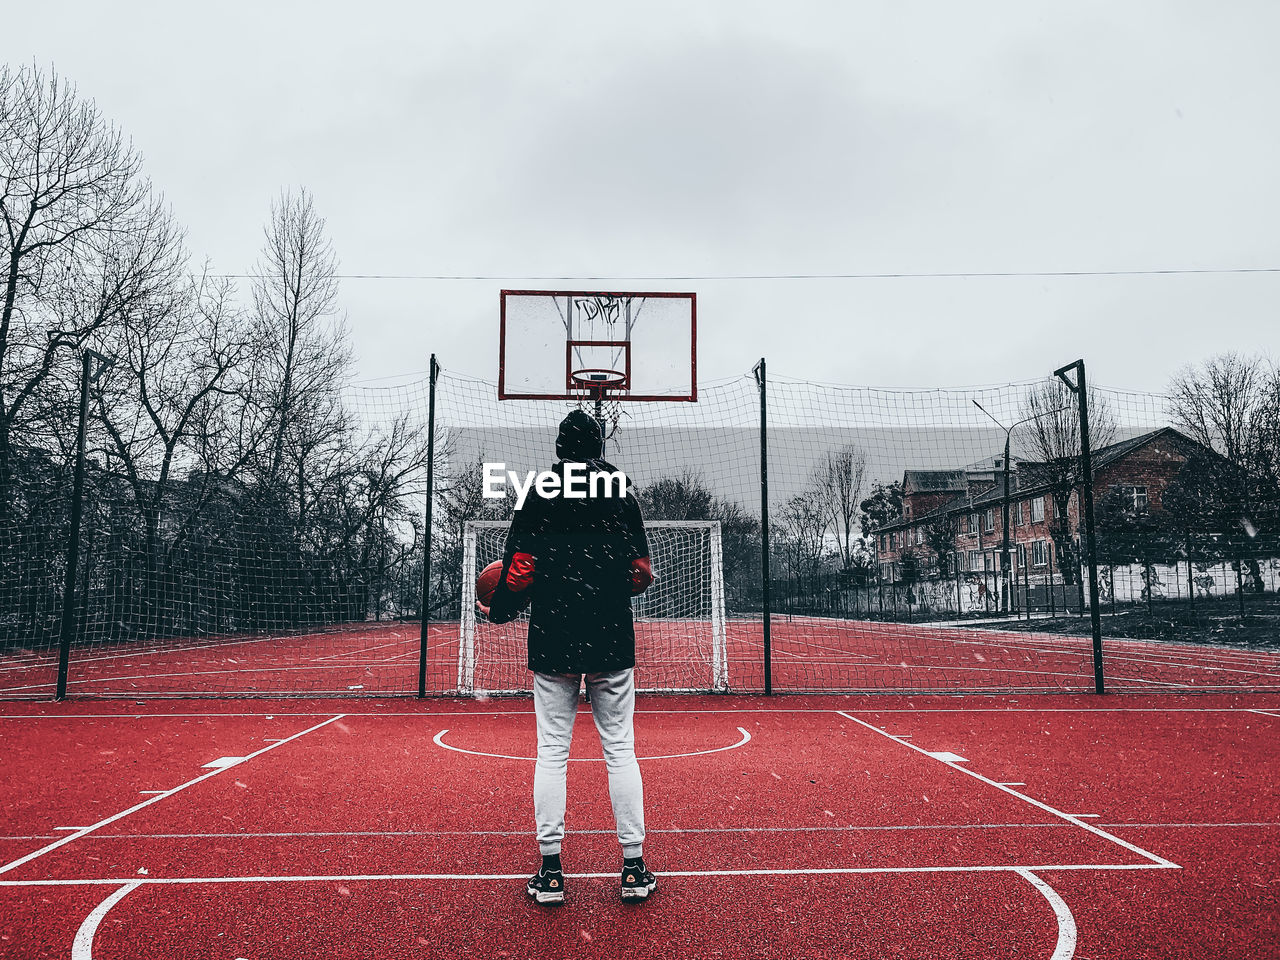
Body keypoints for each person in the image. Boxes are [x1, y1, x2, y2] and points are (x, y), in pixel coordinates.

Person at [480, 410, 657, 906]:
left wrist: (498, 611)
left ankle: (552, 872)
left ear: (559, 447)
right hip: (609, 635)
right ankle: (634, 868)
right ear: (598, 446)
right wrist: (604, 581)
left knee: (552, 753)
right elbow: (640, 574)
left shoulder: (539, 491)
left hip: (554, 635)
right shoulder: (620, 490)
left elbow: (518, 569)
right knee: (620, 749)